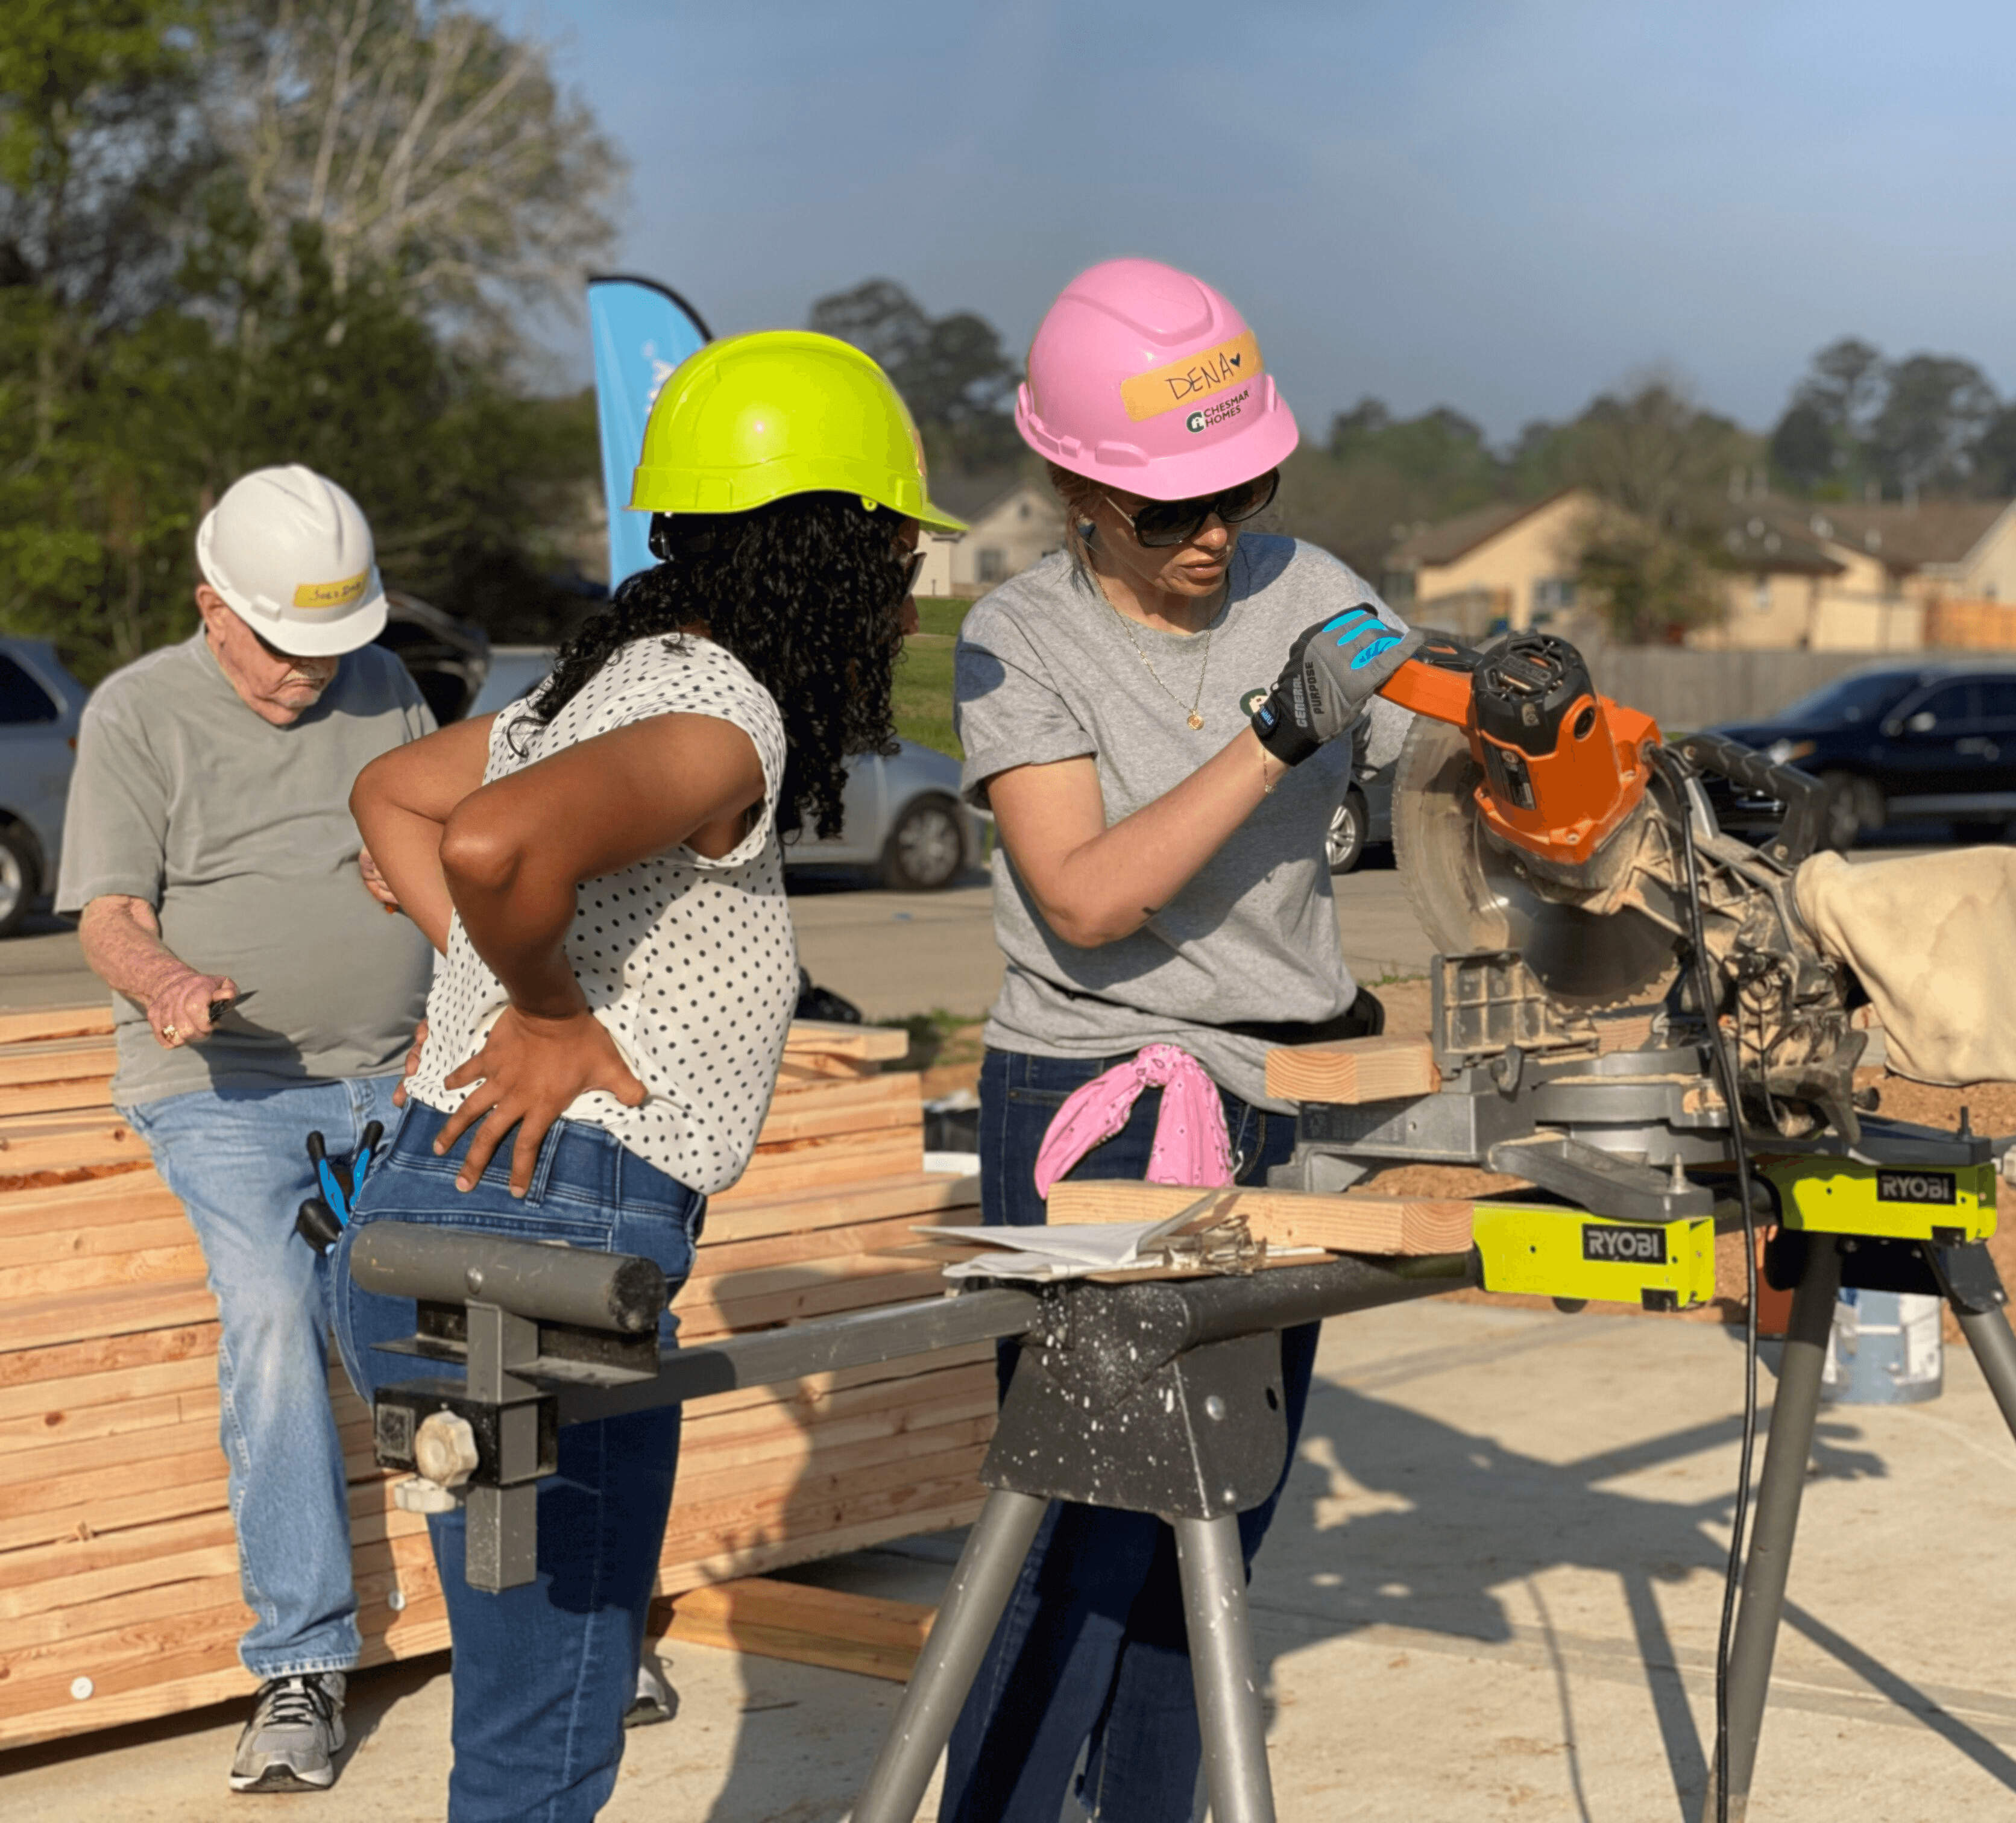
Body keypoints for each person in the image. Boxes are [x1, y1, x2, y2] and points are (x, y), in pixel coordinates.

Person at [335, 329, 964, 1823]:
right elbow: (490, 848)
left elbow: (396, 794)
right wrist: (540, 1011)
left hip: (439, 1207)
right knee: (544, 1750)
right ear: (840, 552)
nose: (908, 596)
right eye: (897, 558)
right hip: (549, 1243)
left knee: (520, 1722)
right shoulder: (724, 710)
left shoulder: (593, 692)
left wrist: (484, 975)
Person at [942, 257, 1419, 1822]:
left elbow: (1452, 757)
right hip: (1101, 1095)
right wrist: (1273, 733)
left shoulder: (1311, 586)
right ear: (1076, 486)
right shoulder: (1019, 642)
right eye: (1172, 510)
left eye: (1246, 486)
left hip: (1289, 1091)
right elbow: (1083, 896)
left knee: (1222, 1519)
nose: (1217, 532)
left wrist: (1526, 725)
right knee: (1075, 1533)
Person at [54, 465, 433, 1794]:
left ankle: (539, 1633)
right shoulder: (140, 712)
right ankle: (302, 1664)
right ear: (212, 607)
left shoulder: (385, 690)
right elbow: (109, 914)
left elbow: (439, 864)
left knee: (465, 1311)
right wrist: (167, 986)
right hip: (222, 1091)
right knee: (275, 1309)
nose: (311, 675)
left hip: (393, 1074)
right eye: (286, 646)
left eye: (338, 644)